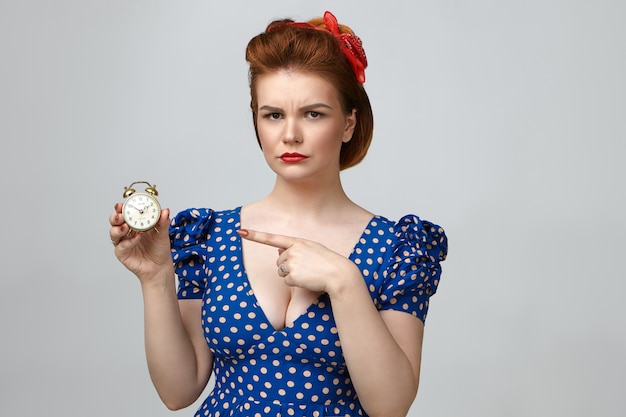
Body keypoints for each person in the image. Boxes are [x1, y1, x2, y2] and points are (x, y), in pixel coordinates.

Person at [109, 10, 447, 417]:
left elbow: (390, 407)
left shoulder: (397, 249)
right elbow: (178, 391)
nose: (290, 134)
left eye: (313, 113)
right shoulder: (210, 236)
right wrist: (156, 277)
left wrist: (344, 281)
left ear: (348, 123)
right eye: (273, 115)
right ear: (257, 120)